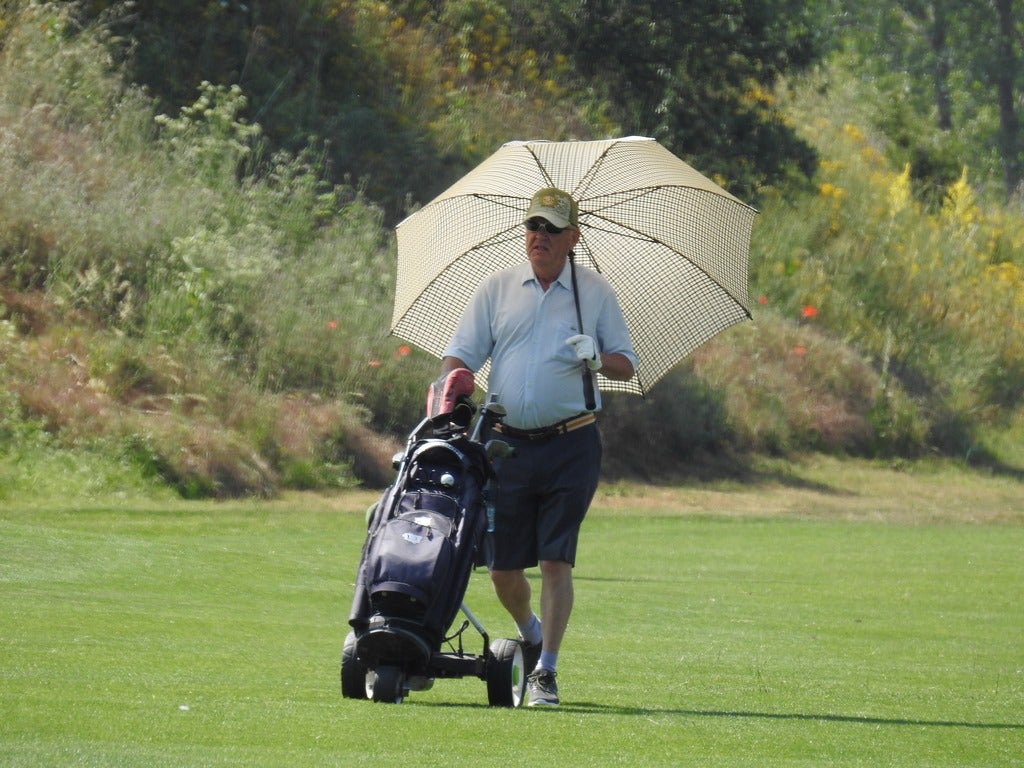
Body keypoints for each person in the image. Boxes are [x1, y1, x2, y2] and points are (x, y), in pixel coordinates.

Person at [439, 187, 637, 706]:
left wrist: (597, 358)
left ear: (573, 237)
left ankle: (546, 670)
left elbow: (626, 363)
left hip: (572, 443)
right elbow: (460, 357)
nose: (539, 237)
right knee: (502, 568)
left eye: (551, 229)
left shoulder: (594, 292)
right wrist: (448, 393)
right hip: (504, 446)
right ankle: (531, 633)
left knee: (554, 560)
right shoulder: (498, 288)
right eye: (533, 227)